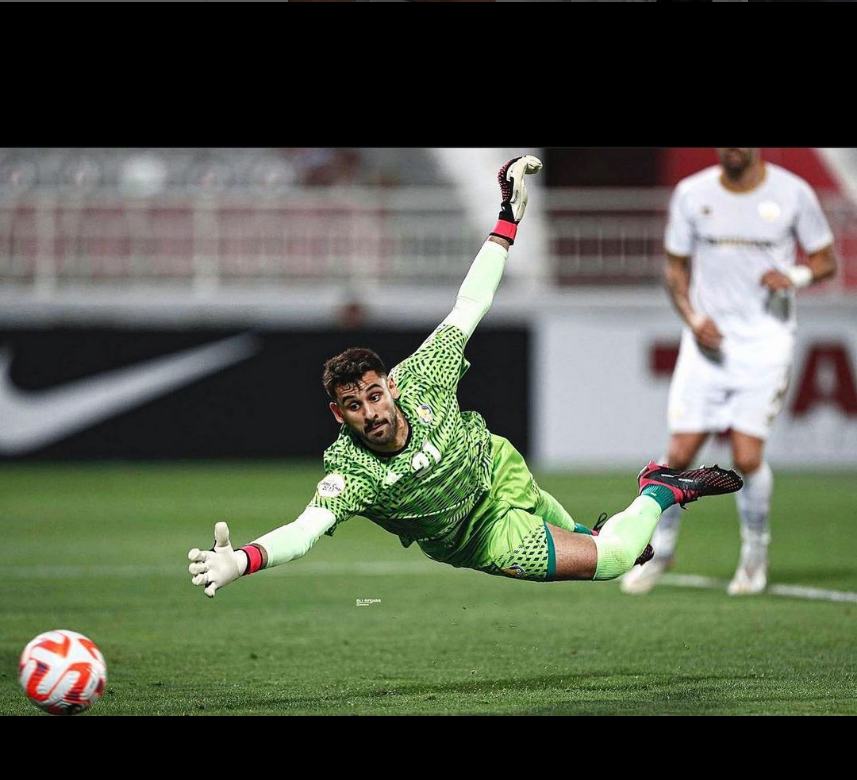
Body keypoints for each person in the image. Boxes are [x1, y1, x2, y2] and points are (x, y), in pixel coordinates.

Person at [188, 156, 742, 598]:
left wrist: (507, 221)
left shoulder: (423, 375)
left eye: (375, 395)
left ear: (392, 386)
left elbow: (469, 304)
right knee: (613, 554)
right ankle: (635, 510)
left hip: (496, 466)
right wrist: (243, 560)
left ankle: (656, 489)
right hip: (483, 535)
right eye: (354, 406)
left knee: (608, 552)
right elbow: (304, 530)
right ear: (339, 414)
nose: (372, 412)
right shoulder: (352, 471)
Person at [621, 148, 836, 597]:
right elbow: (675, 268)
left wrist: (795, 277)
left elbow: (825, 261)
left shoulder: (792, 193)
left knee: (747, 456)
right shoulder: (692, 193)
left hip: (765, 344)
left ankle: (754, 554)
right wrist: (692, 318)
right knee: (678, 453)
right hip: (706, 342)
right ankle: (661, 550)